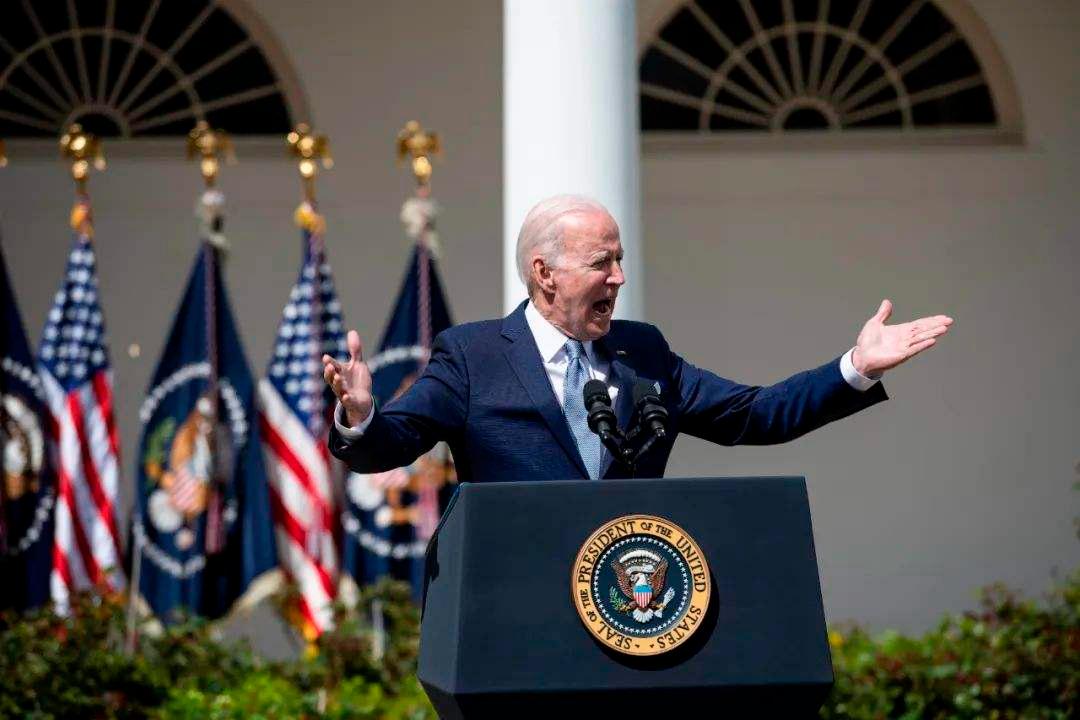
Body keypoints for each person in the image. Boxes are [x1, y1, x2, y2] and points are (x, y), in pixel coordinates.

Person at [324, 195, 952, 482]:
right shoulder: (473, 354)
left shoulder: (642, 352)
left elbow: (755, 415)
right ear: (545, 273)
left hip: (630, 608)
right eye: (601, 262)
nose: (619, 277)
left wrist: (855, 367)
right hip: (512, 604)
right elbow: (389, 446)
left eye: (619, 260)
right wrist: (359, 416)